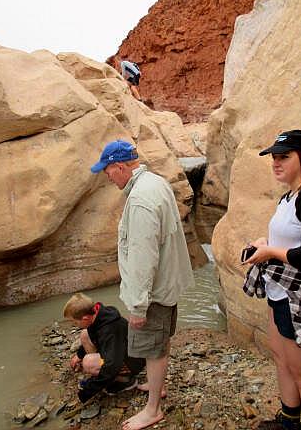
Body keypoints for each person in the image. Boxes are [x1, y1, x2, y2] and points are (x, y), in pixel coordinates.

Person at [90, 139, 195, 430]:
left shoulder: (139, 200)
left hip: (154, 292)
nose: (107, 176)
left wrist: (137, 305)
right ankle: (155, 384)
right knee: (160, 340)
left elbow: (143, 257)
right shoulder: (154, 182)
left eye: (107, 171)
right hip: (166, 283)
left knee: (152, 347)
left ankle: (153, 410)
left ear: (120, 166)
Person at [242, 130, 301, 430]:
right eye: (274, 157)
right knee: (281, 359)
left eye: (284, 156)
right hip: (281, 293)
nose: (276, 163)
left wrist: (270, 251)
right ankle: (288, 422)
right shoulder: (292, 194)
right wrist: (265, 243)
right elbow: (292, 239)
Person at [63, 293, 145, 403]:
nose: (74, 325)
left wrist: (87, 392)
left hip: (133, 362)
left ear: (85, 318)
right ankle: (106, 376)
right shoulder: (97, 314)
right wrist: (79, 355)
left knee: (88, 362)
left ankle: (125, 381)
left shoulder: (110, 330)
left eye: (74, 322)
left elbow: (112, 365)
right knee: (85, 334)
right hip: (119, 353)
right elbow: (94, 336)